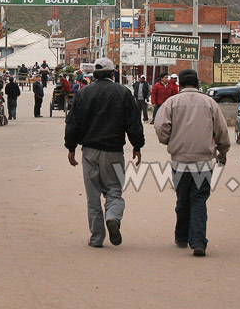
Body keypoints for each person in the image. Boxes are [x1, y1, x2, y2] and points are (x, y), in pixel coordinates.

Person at [65, 57, 144, 249]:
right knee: (114, 190)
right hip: (114, 151)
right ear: (112, 73)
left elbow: (73, 122)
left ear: (94, 74)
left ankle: (96, 238)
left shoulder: (84, 93)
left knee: (93, 196)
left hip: (90, 151)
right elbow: (133, 122)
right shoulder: (123, 92)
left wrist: (71, 148)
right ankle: (113, 217)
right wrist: (137, 146)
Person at [154, 68, 230, 257]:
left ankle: (181, 237)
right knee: (199, 200)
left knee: (182, 199)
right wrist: (222, 150)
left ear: (179, 83)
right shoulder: (209, 103)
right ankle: (197, 242)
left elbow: (160, 126)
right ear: (197, 83)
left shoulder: (172, 102)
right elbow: (221, 130)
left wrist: (169, 140)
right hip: (203, 162)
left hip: (179, 161)